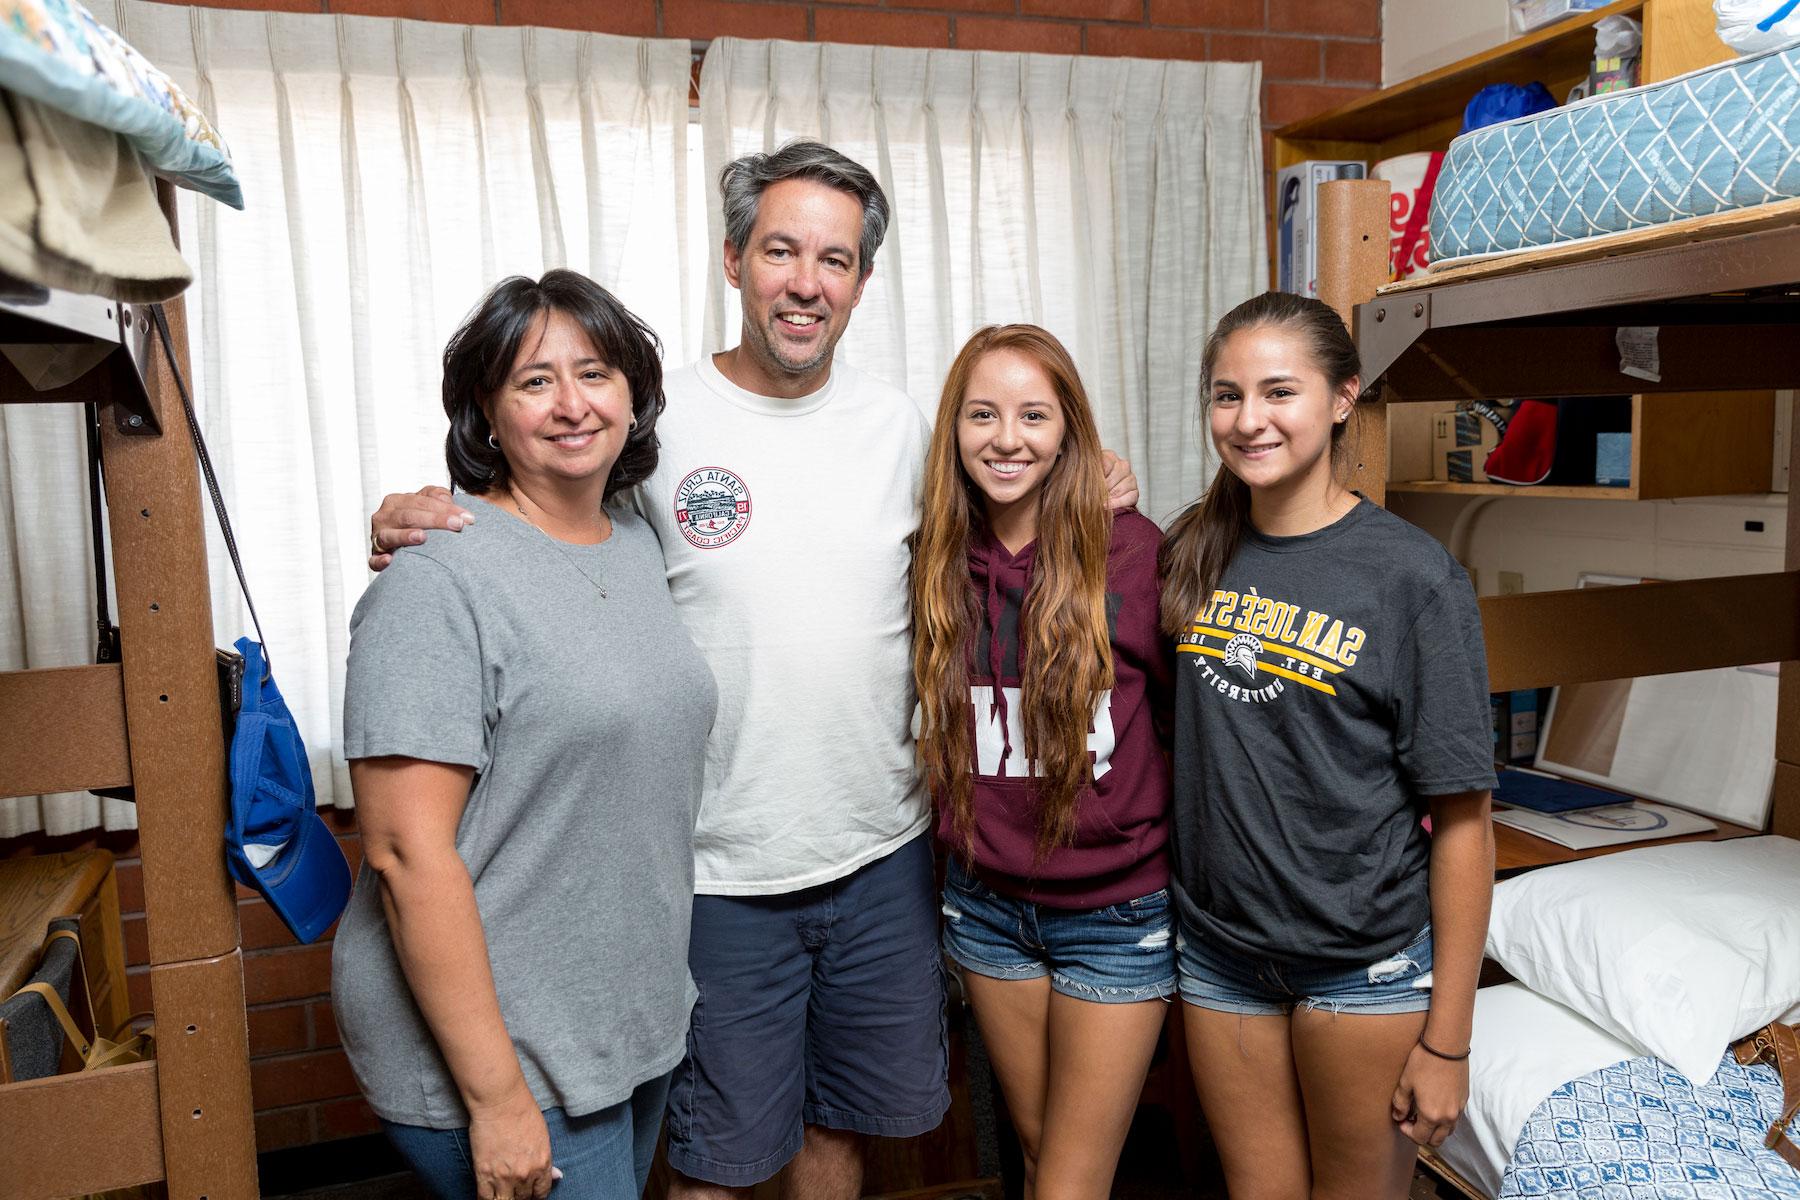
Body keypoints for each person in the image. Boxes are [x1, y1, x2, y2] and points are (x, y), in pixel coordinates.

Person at [367, 142, 1137, 1200]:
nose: (806, 282)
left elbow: (1008, 526)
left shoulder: (907, 430)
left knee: (840, 1135)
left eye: (835, 258)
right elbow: (541, 524)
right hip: (717, 874)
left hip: (885, 857)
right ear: (734, 259)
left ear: (863, 280)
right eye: (781, 250)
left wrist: (1095, 477)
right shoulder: (647, 423)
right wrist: (417, 513)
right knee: (715, 1165)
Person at [335, 271, 717, 1200]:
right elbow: (401, 853)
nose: (573, 404)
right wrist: (497, 1096)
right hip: (506, 1051)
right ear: (486, 411)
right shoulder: (434, 581)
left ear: (634, 398)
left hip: (616, 1022)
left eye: (595, 373)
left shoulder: (633, 541)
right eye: (534, 381)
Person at [1158, 290, 1496, 1200]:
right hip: (1223, 953)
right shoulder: (1193, 547)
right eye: (1226, 396)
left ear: (1344, 397)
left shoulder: (1412, 578)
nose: (1248, 419)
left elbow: (1464, 820)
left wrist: (1447, 1040)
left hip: (1365, 966)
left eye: (1279, 392)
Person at [912, 325, 1174, 1200]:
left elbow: (1183, 722)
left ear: (1071, 431)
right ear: (954, 429)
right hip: (987, 910)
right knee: (1037, 1155)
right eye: (983, 415)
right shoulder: (932, 559)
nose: (1008, 438)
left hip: (1118, 911)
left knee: (1068, 1181)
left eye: (1034, 415)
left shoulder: (1134, 549)